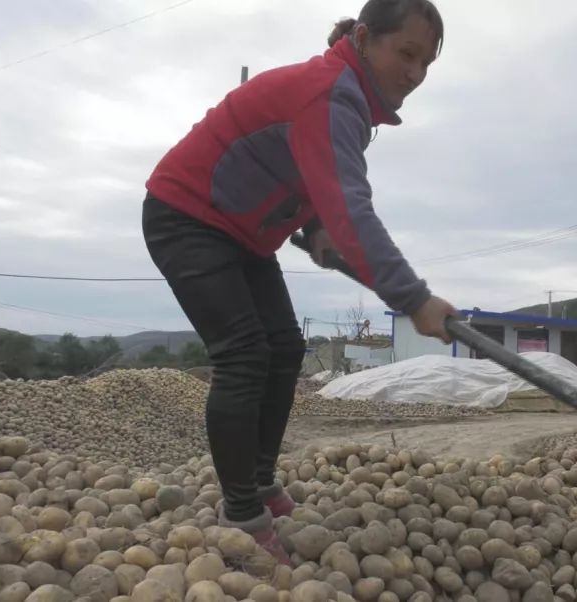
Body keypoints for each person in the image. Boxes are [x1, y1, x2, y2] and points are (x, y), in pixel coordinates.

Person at [140, 0, 455, 566]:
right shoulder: (331, 93)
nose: (415, 73)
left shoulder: (348, 103)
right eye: (406, 53)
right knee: (243, 356)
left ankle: (259, 481)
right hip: (187, 214)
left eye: (426, 63)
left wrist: (313, 231)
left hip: (241, 235)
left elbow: (312, 184)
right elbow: (352, 211)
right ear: (363, 37)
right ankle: (241, 511)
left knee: (285, 348)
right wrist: (414, 299)